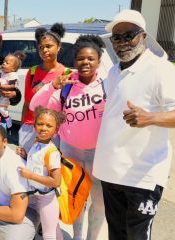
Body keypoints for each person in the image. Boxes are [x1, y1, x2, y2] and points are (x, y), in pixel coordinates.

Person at [92, 10, 175, 240]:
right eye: (116, 38)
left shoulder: (160, 70)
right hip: (111, 174)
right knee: (116, 235)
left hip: (142, 177)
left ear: (144, 36)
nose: (122, 43)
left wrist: (151, 117)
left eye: (129, 35)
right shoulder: (113, 71)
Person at [29, 35, 107, 240]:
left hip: (100, 155)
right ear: (74, 61)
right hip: (71, 153)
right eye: (80, 58)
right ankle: (78, 237)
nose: (85, 62)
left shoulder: (107, 85)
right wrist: (52, 86)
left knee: (99, 206)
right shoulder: (67, 86)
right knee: (75, 201)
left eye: (91, 58)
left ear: (99, 61)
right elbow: (34, 106)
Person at [16, 106, 65, 240]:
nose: (43, 128)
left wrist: (30, 176)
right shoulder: (36, 143)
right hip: (34, 196)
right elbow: (38, 165)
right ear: (34, 125)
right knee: (53, 227)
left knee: (48, 234)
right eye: (40, 124)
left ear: (56, 130)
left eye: (49, 125)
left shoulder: (52, 152)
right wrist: (26, 156)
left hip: (46, 199)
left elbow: (56, 181)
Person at [19, 23, 67, 153]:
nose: (45, 50)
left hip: (53, 131)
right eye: (41, 47)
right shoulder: (32, 72)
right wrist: (23, 126)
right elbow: (27, 103)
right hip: (30, 128)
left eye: (49, 46)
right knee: (26, 165)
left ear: (58, 47)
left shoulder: (65, 73)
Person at [0, 51, 26, 128]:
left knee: (1, 108)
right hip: (0, 96)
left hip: (5, 96)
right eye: (3, 62)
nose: (3, 63)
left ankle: (7, 118)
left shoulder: (12, 75)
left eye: (7, 63)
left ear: (13, 68)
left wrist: (0, 86)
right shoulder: (3, 71)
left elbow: (13, 87)